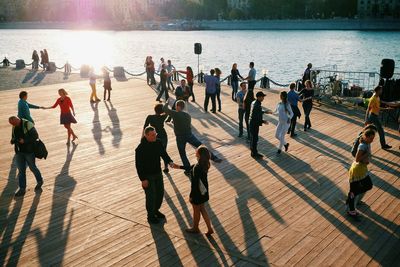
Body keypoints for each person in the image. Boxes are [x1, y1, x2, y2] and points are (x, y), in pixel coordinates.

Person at [163, 99, 222, 173]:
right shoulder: (188, 115)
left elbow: (164, 109)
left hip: (180, 137)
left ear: (178, 106)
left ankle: (188, 169)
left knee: (182, 153)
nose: (175, 108)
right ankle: (214, 157)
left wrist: (167, 102)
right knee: (201, 146)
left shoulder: (175, 114)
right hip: (189, 135)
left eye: (175, 106)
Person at [135, 126, 177, 224]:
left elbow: (163, 154)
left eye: (155, 134)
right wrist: (143, 179)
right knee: (151, 196)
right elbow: (138, 165)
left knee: (160, 193)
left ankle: (155, 210)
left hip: (158, 173)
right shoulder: (140, 148)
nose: (155, 136)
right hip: (148, 176)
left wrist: (170, 162)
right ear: (146, 135)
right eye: (153, 135)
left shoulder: (158, 142)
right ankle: (150, 216)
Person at [172, 145, 214, 236]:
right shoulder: (204, 164)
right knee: (203, 209)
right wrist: (178, 166)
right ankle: (209, 228)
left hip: (197, 193)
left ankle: (195, 228)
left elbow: (195, 183)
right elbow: (190, 167)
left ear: (199, 154)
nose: (195, 151)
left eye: (197, 151)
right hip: (204, 192)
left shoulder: (197, 167)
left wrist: (192, 196)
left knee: (196, 211)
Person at [9, 116, 44, 197]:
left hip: (29, 151)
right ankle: (22, 189)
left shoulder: (28, 124)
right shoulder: (14, 126)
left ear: (17, 119)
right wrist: (13, 140)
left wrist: (24, 141)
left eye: (14, 123)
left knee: (32, 168)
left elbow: (35, 136)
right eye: (12, 124)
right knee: (21, 171)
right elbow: (13, 138)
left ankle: (40, 180)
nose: (13, 125)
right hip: (19, 152)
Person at [346, 129, 375, 219]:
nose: (372, 140)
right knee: (355, 191)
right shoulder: (362, 145)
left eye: (373, 138)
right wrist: (366, 155)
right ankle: (351, 210)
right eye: (370, 138)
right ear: (365, 137)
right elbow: (357, 159)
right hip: (357, 170)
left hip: (362, 170)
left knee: (368, 185)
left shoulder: (367, 143)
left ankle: (352, 196)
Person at [143, 104, 169, 172]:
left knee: (154, 152)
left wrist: (144, 137)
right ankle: (166, 167)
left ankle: (156, 167)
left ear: (155, 109)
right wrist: (166, 105)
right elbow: (167, 111)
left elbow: (145, 127)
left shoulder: (150, 117)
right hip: (163, 135)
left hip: (154, 136)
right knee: (164, 151)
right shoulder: (163, 116)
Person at [365, 85, 392, 149]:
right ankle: (383, 145)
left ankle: (358, 141)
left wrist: (387, 105)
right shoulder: (373, 98)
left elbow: (378, 105)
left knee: (366, 130)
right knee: (381, 131)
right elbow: (368, 109)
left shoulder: (377, 97)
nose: (382, 91)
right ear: (378, 91)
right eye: (381, 90)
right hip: (373, 116)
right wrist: (366, 119)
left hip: (375, 115)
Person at [249, 91, 271, 158]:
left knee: (253, 138)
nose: (263, 98)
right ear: (258, 97)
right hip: (254, 123)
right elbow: (256, 116)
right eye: (262, 97)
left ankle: (252, 151)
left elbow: (256, 112)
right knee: (255, 139)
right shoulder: (257, 105)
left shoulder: (254, 102)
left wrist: (264, 111)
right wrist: (263, 121)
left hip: (251, 122)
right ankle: (254, 153)